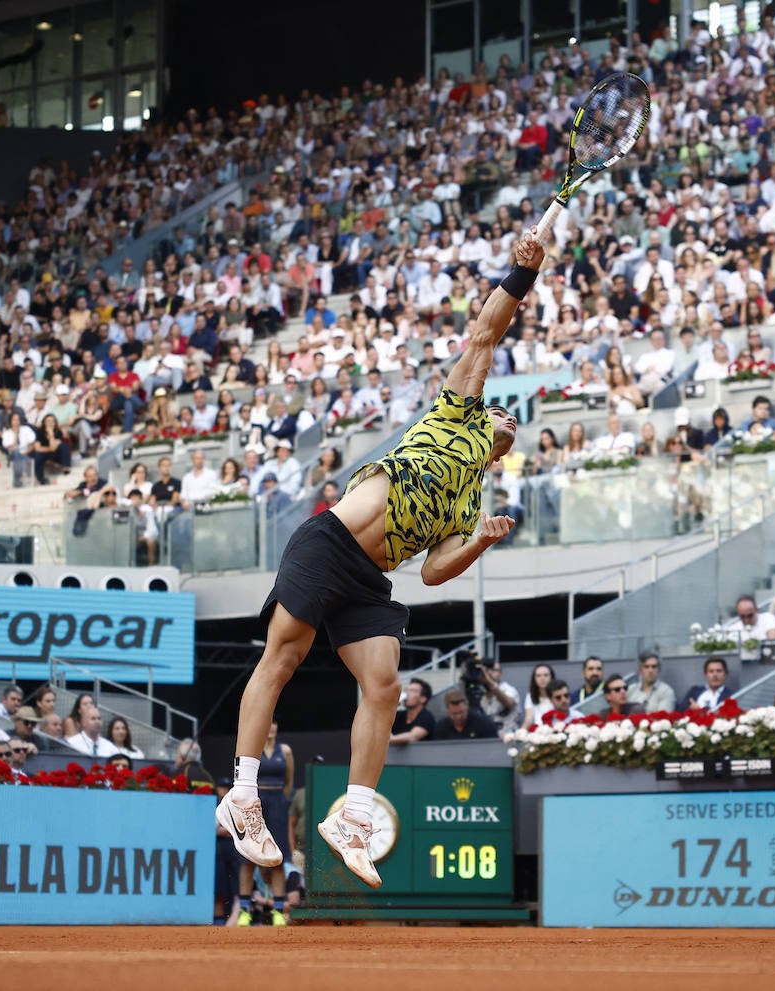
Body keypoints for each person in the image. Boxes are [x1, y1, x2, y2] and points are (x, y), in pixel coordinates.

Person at [218, 235, 544, 889]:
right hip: (329, 541)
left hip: (372, 577)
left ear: (503, 451)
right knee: (280, 659)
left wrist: (479, 540)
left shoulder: (468, 498)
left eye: (515, 424)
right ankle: (244, 793)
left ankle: (355, 817)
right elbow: (485, 331)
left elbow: (431, 571)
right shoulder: (458, 413)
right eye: (504, 412)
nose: (509, 419)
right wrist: (521, 274)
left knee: (385, 686)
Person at [237, 720, 294, 927]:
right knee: (248, 858)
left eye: (274, 723)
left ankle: (278, 911)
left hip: (278, 804)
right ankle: (244, 911)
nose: (270, 726)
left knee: (276, 858)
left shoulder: (285, 751)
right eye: (267, 722)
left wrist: (278, 802)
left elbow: (289, 782)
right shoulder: (251, 748)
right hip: (255, 805)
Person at [473, 658, 520, 733]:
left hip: (509, 734)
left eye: (495, 670)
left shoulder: (508, 689)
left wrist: (491, 683)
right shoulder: (481, 695)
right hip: (490, 736)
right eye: (486, 671)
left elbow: (508, 703)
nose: (488, 674)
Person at [390, 678, 435, 744]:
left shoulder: (426, 717)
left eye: (413, 691)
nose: (407, 694)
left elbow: (412, 736)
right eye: (407, 690)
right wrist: (391, 706)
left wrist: (390, 739)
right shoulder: (398, 716)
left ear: (423, 699)